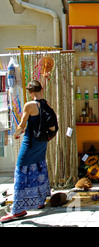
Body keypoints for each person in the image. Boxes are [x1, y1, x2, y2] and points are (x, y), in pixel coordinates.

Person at [0, 80, 54, 223]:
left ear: (30, 92)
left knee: (21, 170)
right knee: (38, 167)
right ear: (41, 89)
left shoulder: (29, 105)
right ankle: (40, 199)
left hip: (29, 143)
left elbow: (22, 126)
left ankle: (18, 209)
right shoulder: (46, 104)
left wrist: (15, 134)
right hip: (42, 142)